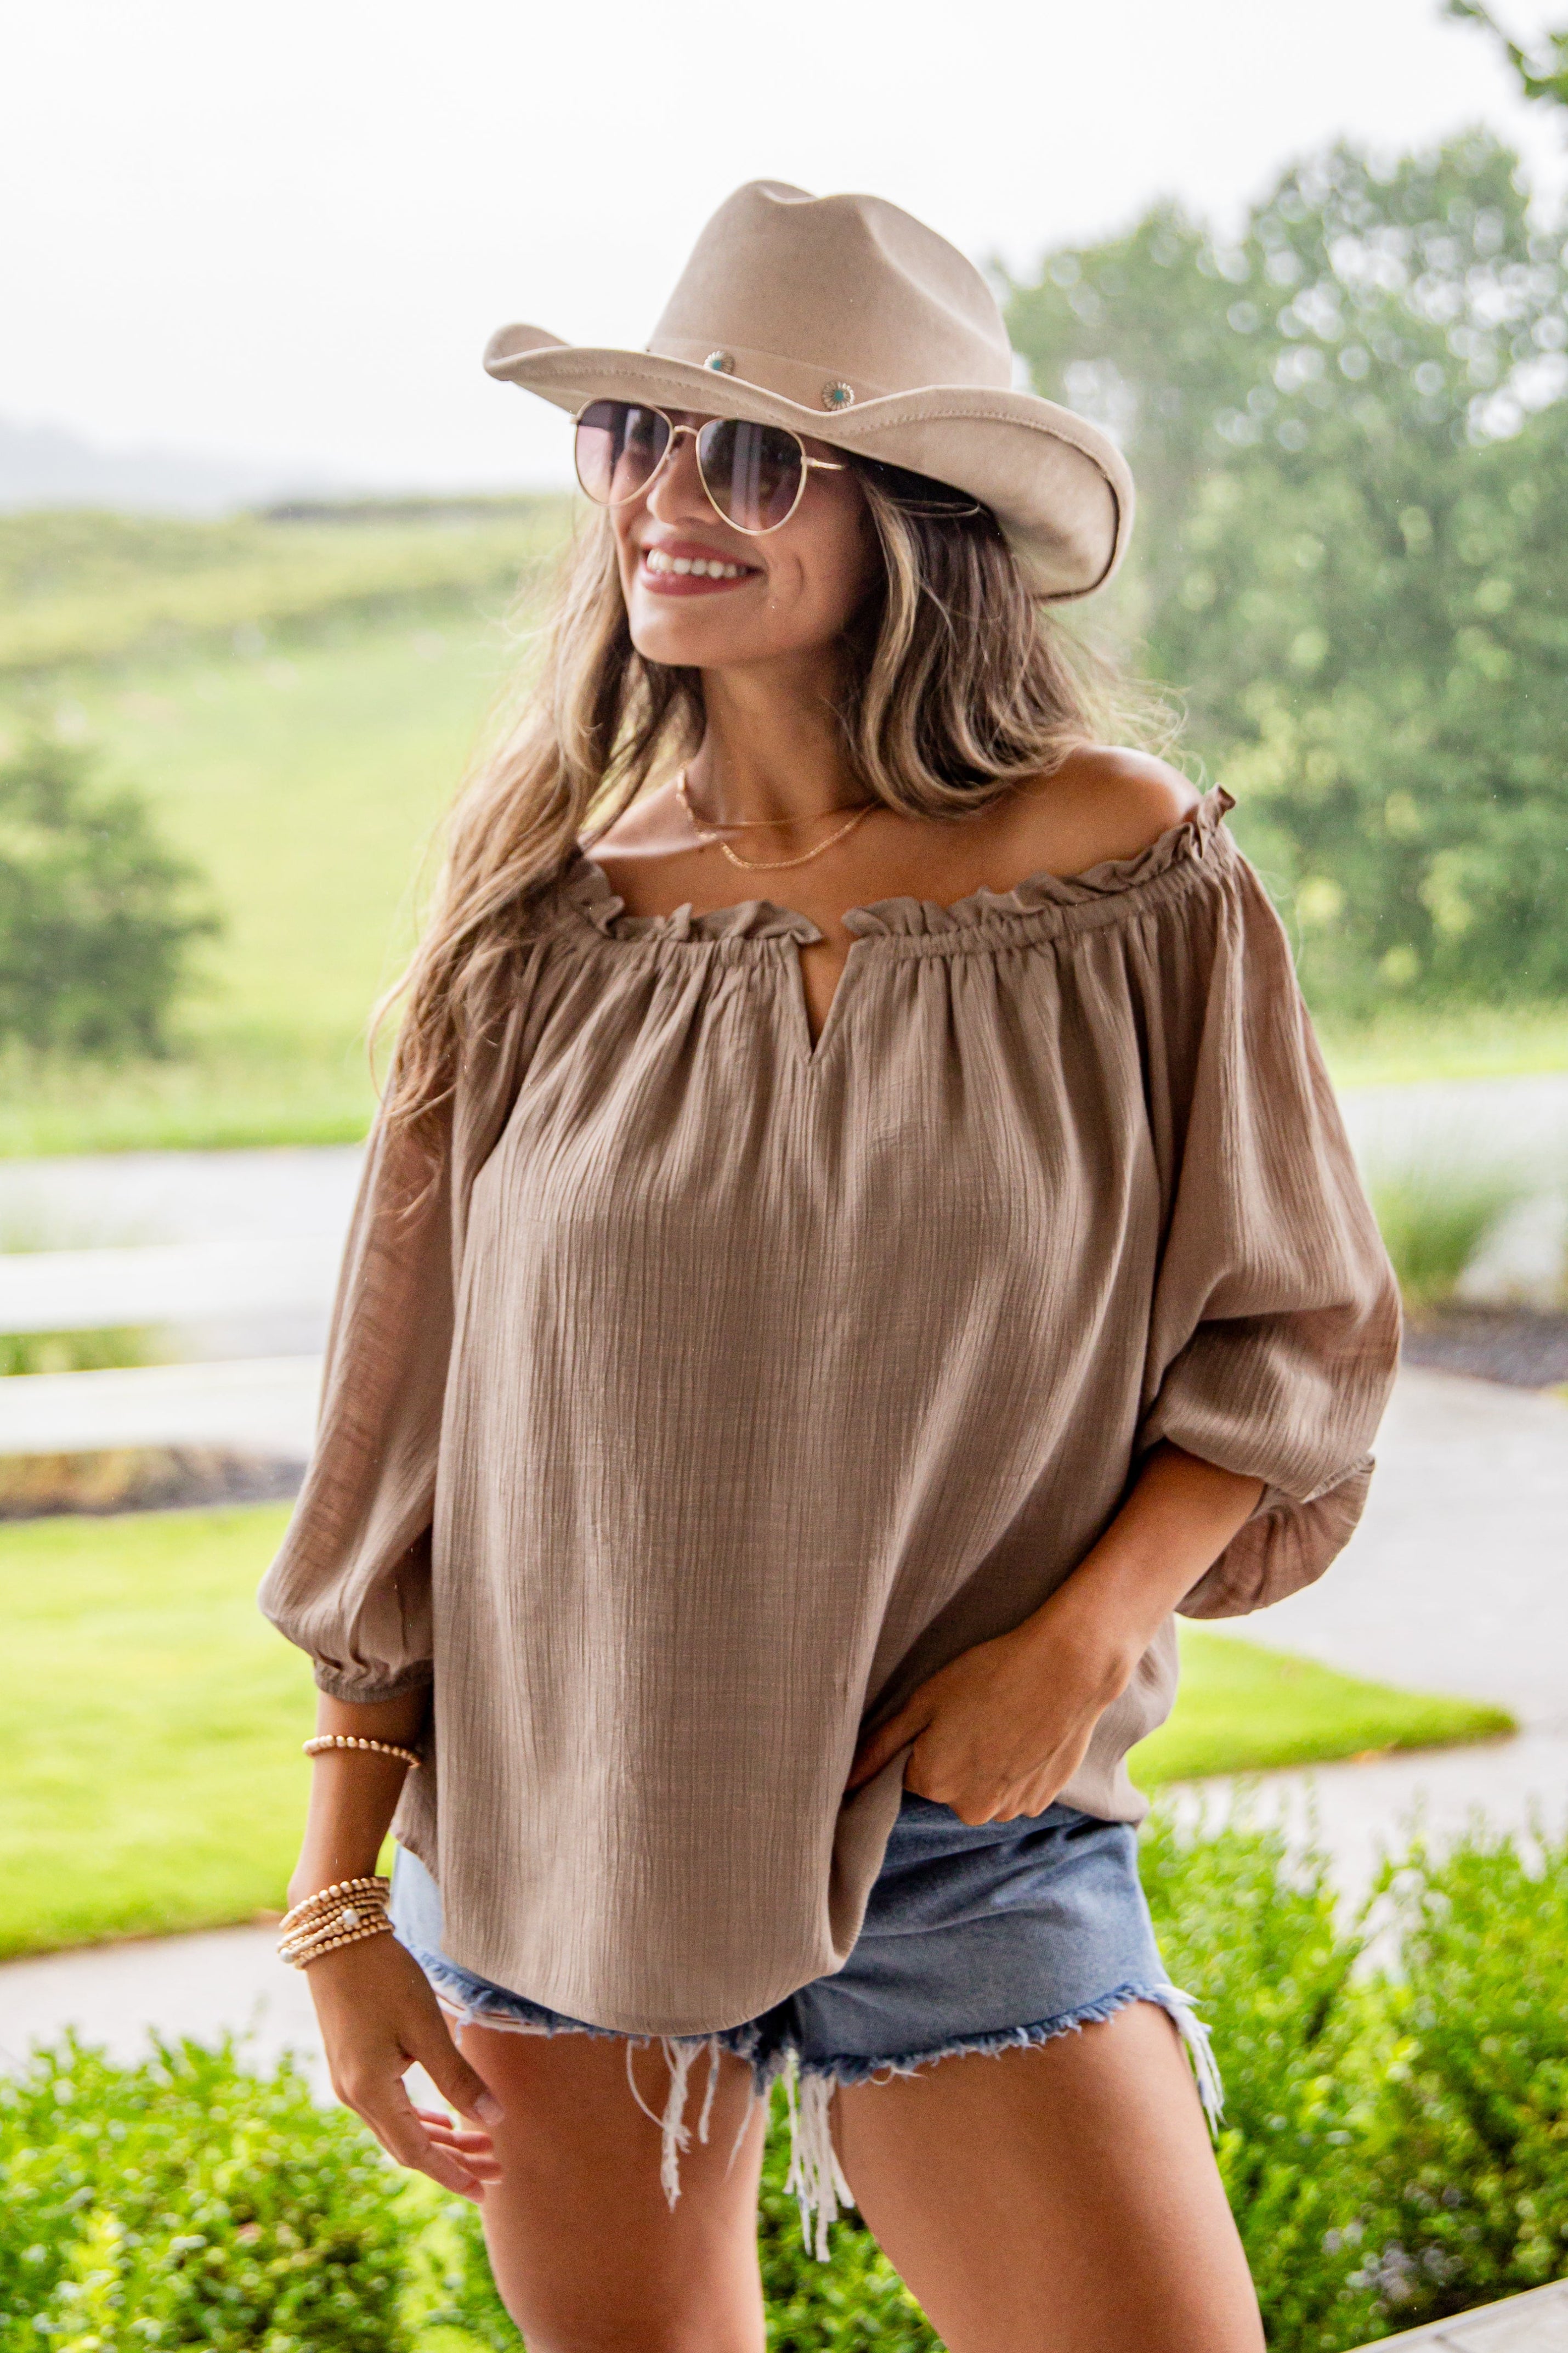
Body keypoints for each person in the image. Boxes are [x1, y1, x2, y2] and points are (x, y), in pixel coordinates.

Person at [259, 180, 1400, 2353]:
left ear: (911, 514)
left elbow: (1295, 1334)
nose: (670, 499)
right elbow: (390, 1452)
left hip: (968, 1837)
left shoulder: (1120, 871)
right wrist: (337, 1905)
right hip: (567, 1843)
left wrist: (1080, 1636)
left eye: (751, 454)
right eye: (635, 441)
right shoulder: (534, 933)